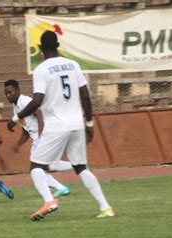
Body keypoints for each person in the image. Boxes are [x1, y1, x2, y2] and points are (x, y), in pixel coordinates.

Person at [17, 31, 114, 221]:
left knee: (36, 166)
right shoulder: (73, 65)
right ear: (58, 45)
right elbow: (85, 95)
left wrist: (16, 117)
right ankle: (106, 207)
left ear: (42, 49)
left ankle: (49, 200)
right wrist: (89, 122)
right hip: (76, 123)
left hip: (56, 125)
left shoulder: (42, 69)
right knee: (81, 168)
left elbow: (37, 100)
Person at [4, 79, 72, 197]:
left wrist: (42, 136)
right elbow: (26, 130)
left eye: (11, 92)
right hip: (37, 138)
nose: (8, 95)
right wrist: (18, 144)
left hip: (42, 136)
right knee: (47, 166)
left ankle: (61, 187)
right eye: (6, 94)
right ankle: (76, 166)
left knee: (36, 169)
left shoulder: (24, 101)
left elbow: (39, 113)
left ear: (18, 90)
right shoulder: (16, 108)